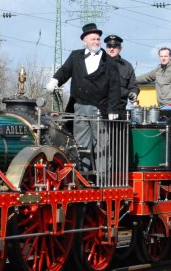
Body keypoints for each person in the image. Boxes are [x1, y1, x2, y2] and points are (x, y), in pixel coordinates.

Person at [45, 23, 120, 172]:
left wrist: (113, 108)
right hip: (79, 107)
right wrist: (55, 80)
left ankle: (102, 178)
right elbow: (65, 71)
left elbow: (115, 87)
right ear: (84, 40)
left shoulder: (110, 61)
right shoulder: (75, 56)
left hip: (100, 108)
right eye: (93, 39)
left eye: (98, 39)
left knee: (102, 145)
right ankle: (82, 176)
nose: (96, 41)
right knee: (81, 144)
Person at [104, 34, 139, 119]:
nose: (111, 49)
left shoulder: (127, 66)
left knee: (118, 132)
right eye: (109, 46)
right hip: (102, 109)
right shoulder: (98, 64)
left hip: (120, 109)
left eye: (115, 46)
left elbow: (133, 86)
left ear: (120, 49)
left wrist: (133, 93)